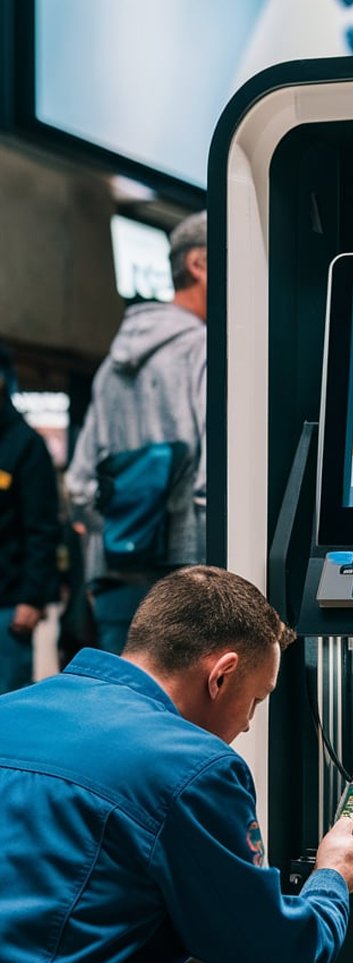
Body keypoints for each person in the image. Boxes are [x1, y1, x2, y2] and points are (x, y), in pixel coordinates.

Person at [0, 564, 353, 963]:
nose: (248, 722)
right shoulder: (191, 766)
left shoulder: (12, 709)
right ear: (220, 675)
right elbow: (283, 962)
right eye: (256, 699)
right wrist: (333, 876)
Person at [66, 210, 208, 654]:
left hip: (114, 573)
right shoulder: (202, 349)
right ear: (199, 264)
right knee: (181, 716)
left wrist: (113, 545)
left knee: (119, 706)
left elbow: (78, 484)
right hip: (188, 574)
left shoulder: (110, 367)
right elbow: (215, 472)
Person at [0, 344, 60, 693]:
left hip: (9, 606)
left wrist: (32, 596)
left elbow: (42, 527)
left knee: (5, 707)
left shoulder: (25, 445)